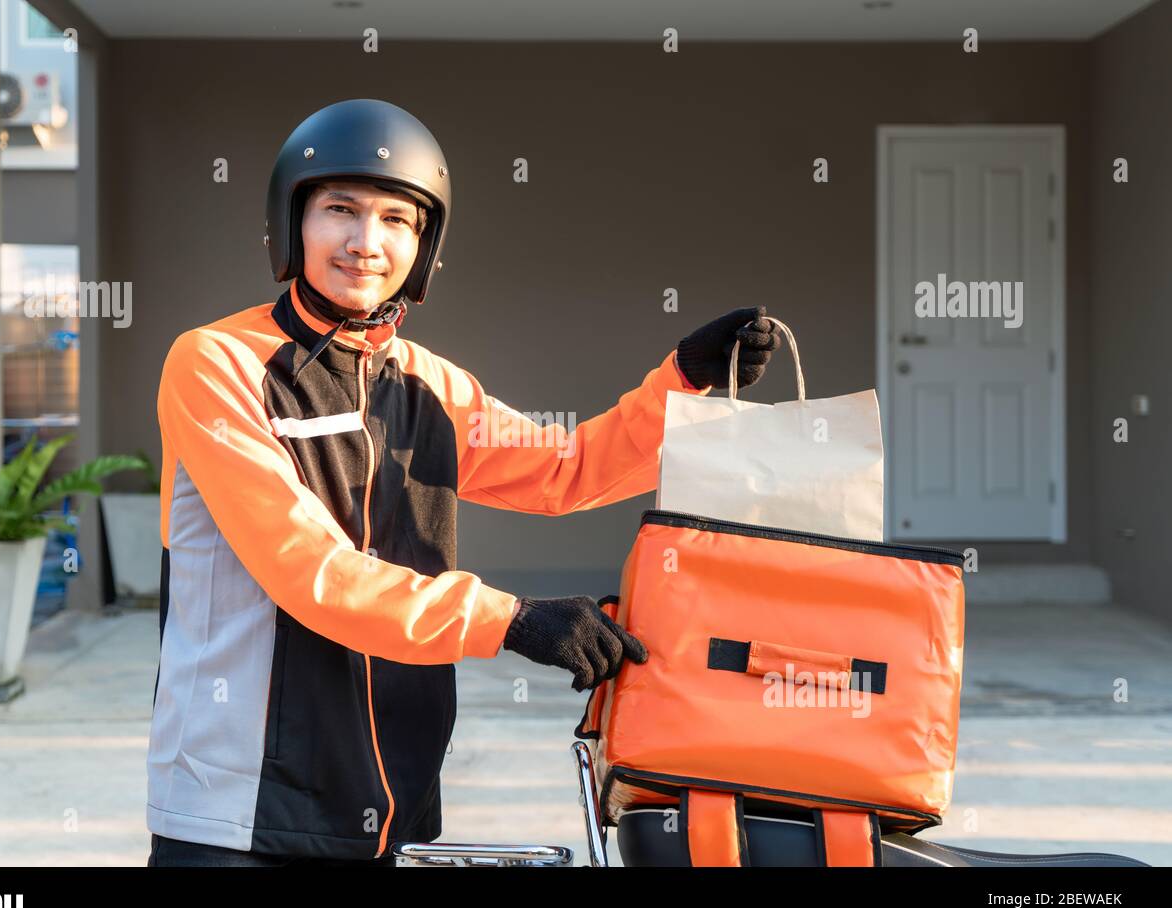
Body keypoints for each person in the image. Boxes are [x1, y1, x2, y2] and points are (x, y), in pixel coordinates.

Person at [146, 98, 781, 866]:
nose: (365, 241)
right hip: (236, 803)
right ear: (291, 222)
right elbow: (307, 570)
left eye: (396, 220)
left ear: (425, 245)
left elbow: (566, 468)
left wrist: (685, 381)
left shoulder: (428, 385)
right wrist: (510, 619)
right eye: (339, 210)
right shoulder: (214, 364)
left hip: (386, 802)